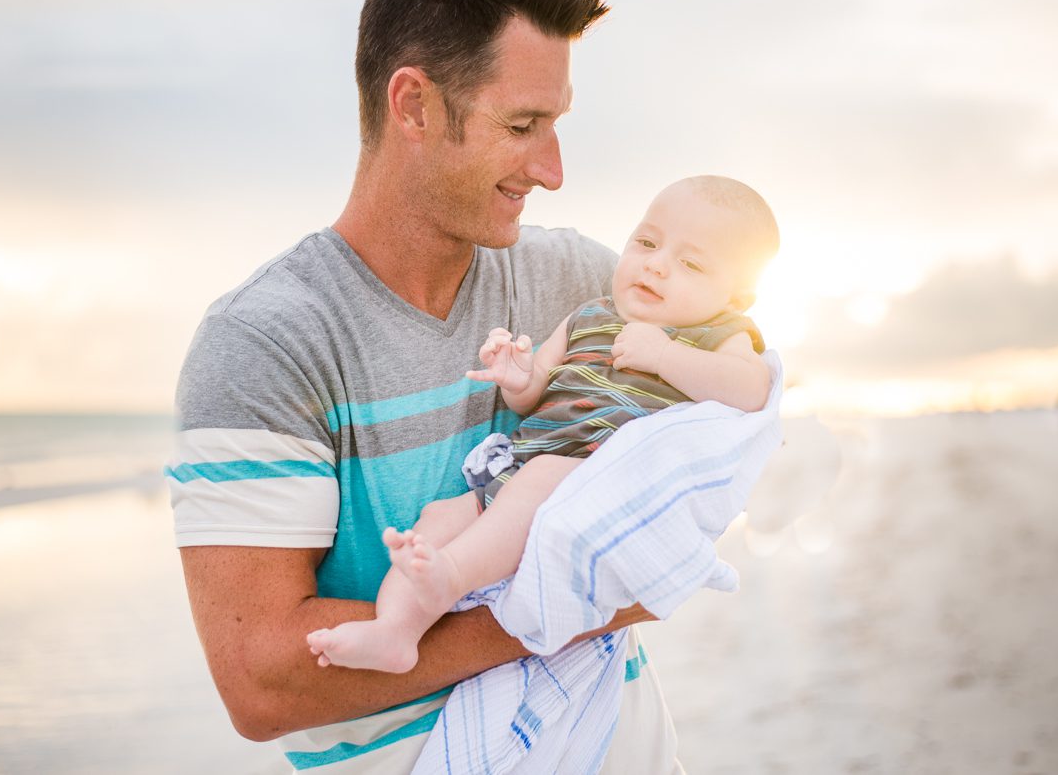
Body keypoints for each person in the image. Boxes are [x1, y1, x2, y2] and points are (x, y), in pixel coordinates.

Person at [168, 0, 682, 773]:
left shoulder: (583, 288)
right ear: (414, 104)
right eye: (522, 125)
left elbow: (718, 443)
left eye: (556, 124)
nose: (552, 169)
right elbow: (263, 683)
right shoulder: (264, 345)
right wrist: (589, 600)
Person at [305, 175, 779, 674]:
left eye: (690, 263)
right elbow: (537, 390)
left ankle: (451, 576)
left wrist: (666, 355)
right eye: (646, 242)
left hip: (593, 474)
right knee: (438, 519)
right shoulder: (590, 316)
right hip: (528, 460)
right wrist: (516, 375)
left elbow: (752, 389)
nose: (656, 264)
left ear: (739, 294)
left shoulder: (717, 332)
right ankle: (395, 631)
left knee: (533, 485)